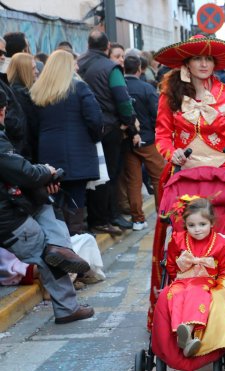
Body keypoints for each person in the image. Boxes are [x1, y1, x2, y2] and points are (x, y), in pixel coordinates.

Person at [147, 34, 225, 330]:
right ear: (186, 62)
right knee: (177, 236)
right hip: (183, 177)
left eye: (208, 59)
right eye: (197, 58)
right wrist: (169, 152)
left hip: (223, 177)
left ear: (215, 63)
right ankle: (176, 305)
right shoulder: (170, 96)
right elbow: (162, 135)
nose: (203, 63)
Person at [0, 88, 95, 324]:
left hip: (13, 208)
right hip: (8, 218)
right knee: (46, 256)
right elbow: (22, 171)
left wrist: (42, 181)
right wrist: (46, 172)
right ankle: (67, 307)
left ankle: (60, 248)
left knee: (47, 204)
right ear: (2, 111)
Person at [157, 197, 225, 358]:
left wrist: (224, 283)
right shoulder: (177, 240)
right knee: (174, 293)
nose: (197, 229)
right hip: (181, 279)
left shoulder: (221, 244)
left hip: (206, 281)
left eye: (202, 224)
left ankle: (187, 331)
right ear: (185, 225)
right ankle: (186, 339)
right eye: (191, 225)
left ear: (211, 223)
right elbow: (170, 264)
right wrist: (175, 276)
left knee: (197, 292)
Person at [31, 50, 104, 236]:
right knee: (77, 199)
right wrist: (94, 138)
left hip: (48, 152)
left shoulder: (38, 91)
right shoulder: (79, 88)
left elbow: (33, 126)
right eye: (74, 63)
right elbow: (95, 119)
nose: (77, 67)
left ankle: (60, 243)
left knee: (54, 197)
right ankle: (76, 241)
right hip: (78, 153)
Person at [77, 30, 136, 235]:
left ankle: (96, 218)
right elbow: (123, 99)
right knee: (108, 174)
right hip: (109, 127)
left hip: (83, 128)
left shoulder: (78, 64)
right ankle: (105, 218)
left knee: (91, 175)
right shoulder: (111, 68)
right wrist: (128, 122)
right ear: (107, 47)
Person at [122, 55, 164, 231]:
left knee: (133, 180)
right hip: (148, 139)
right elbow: (157, 114)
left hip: (127, 139)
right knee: (159, 177)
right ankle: (163, 215)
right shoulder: (146, 88)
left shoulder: (120, 87)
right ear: (140, 68)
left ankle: (138, 219)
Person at [6, 52, 37, 161]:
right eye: (33, 69)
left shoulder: (10, 90)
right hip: (23, 152)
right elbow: (30, 126)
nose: (36, 72)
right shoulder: (21, 94)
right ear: (25, 71)